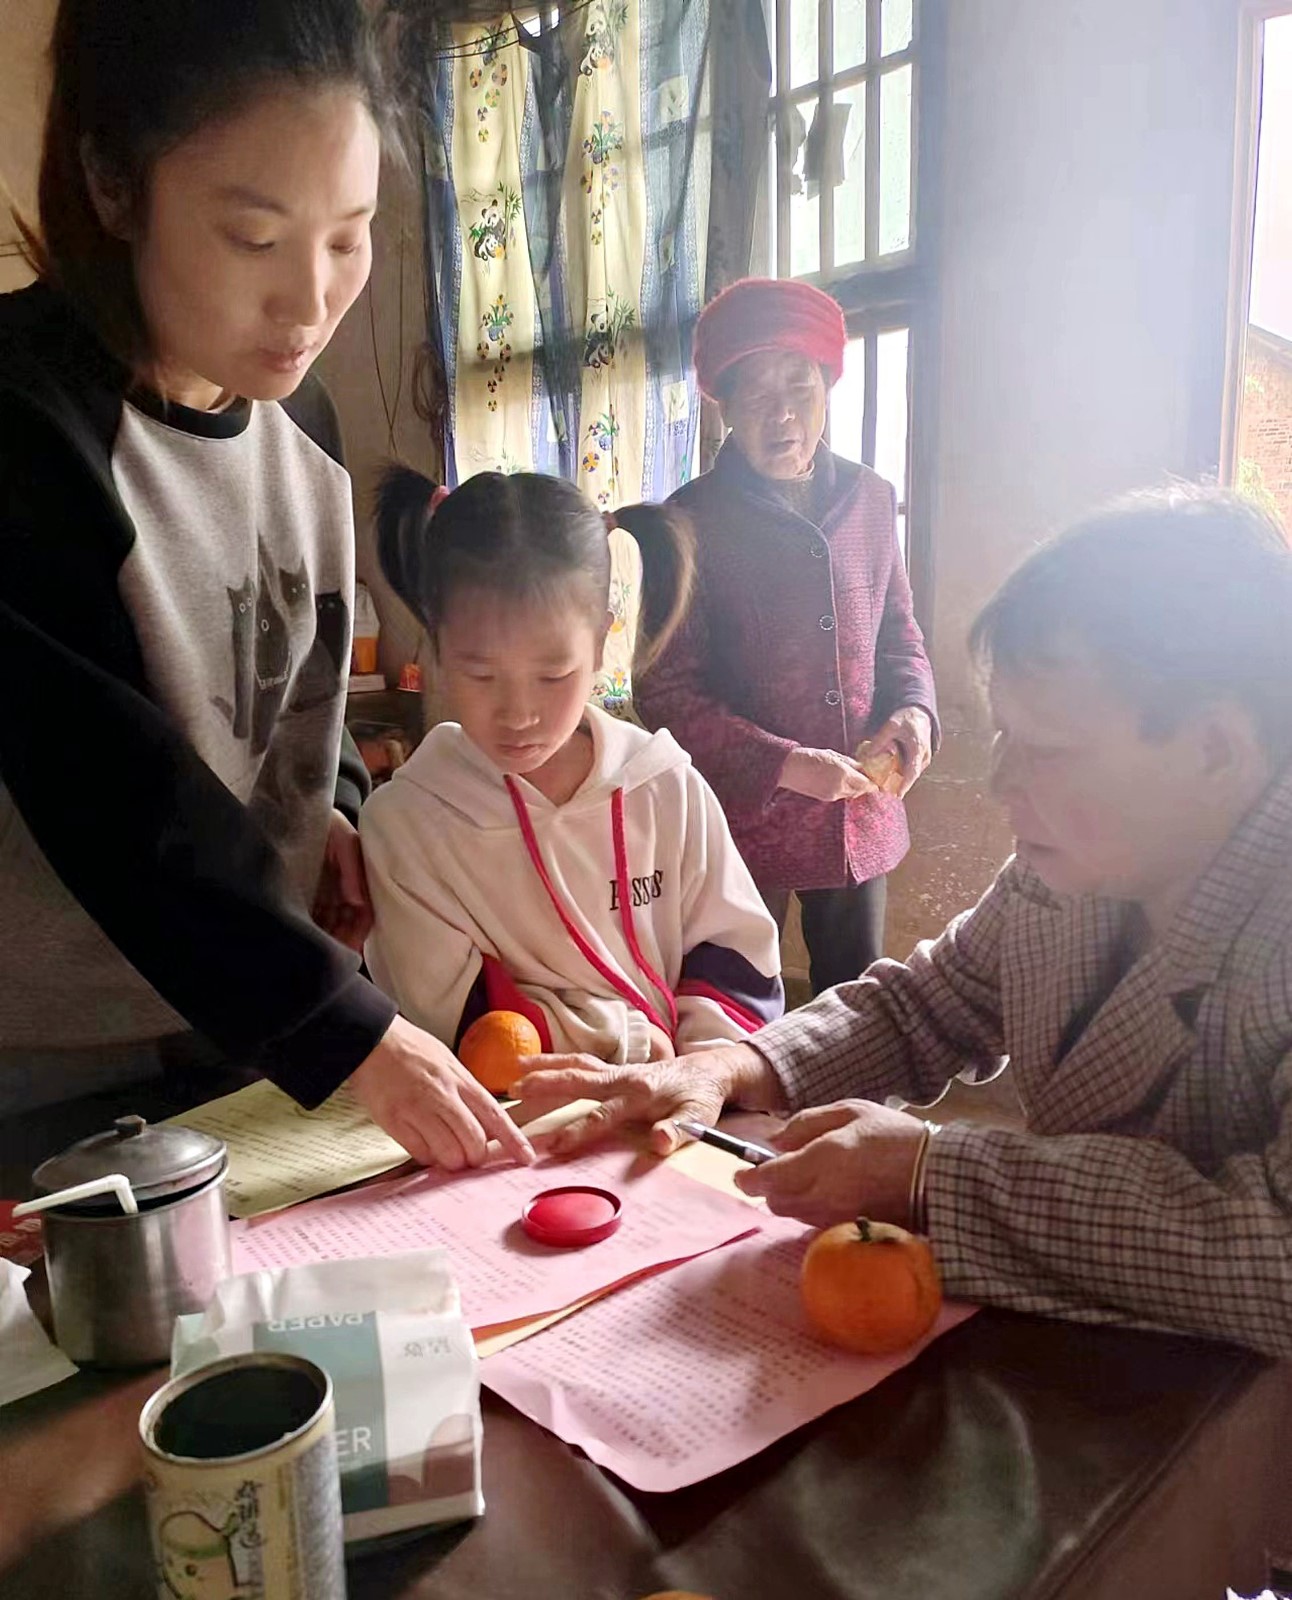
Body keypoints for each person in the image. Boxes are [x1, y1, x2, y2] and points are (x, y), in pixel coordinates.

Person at [519, 487, 1292, 1360]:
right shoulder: (1081, 871)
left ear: (1217, 750)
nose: (1001, 785)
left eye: (1047, 750)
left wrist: (931, 1174)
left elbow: (1275, 1252)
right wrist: (733, 1065)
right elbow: (926, 1002)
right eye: (1003, 737)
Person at [0, 0, 530, 1170]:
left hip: (247, 1023)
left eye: (349, 237)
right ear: (112, 184)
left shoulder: (304, 422)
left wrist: (331, 801)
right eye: (254, 238)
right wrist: (349, 1026)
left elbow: (302, 680)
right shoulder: (24, 425)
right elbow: (111, 790)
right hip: (52, 1066)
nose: (309, 302)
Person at [359, 475, 784, 1062]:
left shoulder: (665, 786)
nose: (518, 714)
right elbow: (454, 1014)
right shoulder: (408, 822)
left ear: (602, 641)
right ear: (435, 644)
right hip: (513, 1111)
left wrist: (708, 1068)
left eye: (553, 674)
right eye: (481, 675)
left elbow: (737, 953)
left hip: (690, 1099)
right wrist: (625, 1042)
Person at [633, 277, 939, 994]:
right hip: (743, 821)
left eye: (799, 385)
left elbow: (901, 635)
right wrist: (785, 764)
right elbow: (665, 692)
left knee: (855, 1006)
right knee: (734, 1001)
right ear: (725, 405)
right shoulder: (687, 523)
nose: (782, 413)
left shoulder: (870, 499)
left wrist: (915, 714)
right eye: (757, 392)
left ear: (827, 386)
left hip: (856, 811)